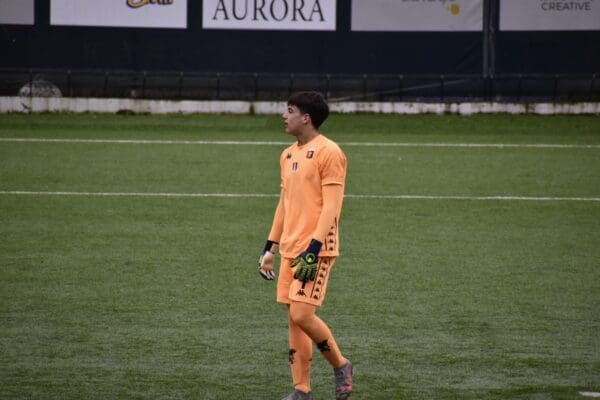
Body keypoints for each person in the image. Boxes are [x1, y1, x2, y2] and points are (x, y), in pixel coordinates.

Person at [258, 91, 353, 400]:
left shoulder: (330, 152)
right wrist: (270, 247)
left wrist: (313, 248)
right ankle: (301, 389)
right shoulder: (287, 155)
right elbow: (284, 204)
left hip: (316, 249)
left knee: (301, 315)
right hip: (290, 247)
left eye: (290, 110)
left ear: (306, 118)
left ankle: (341, 365)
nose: (284, 116)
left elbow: (332, 207)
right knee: (294, 320)